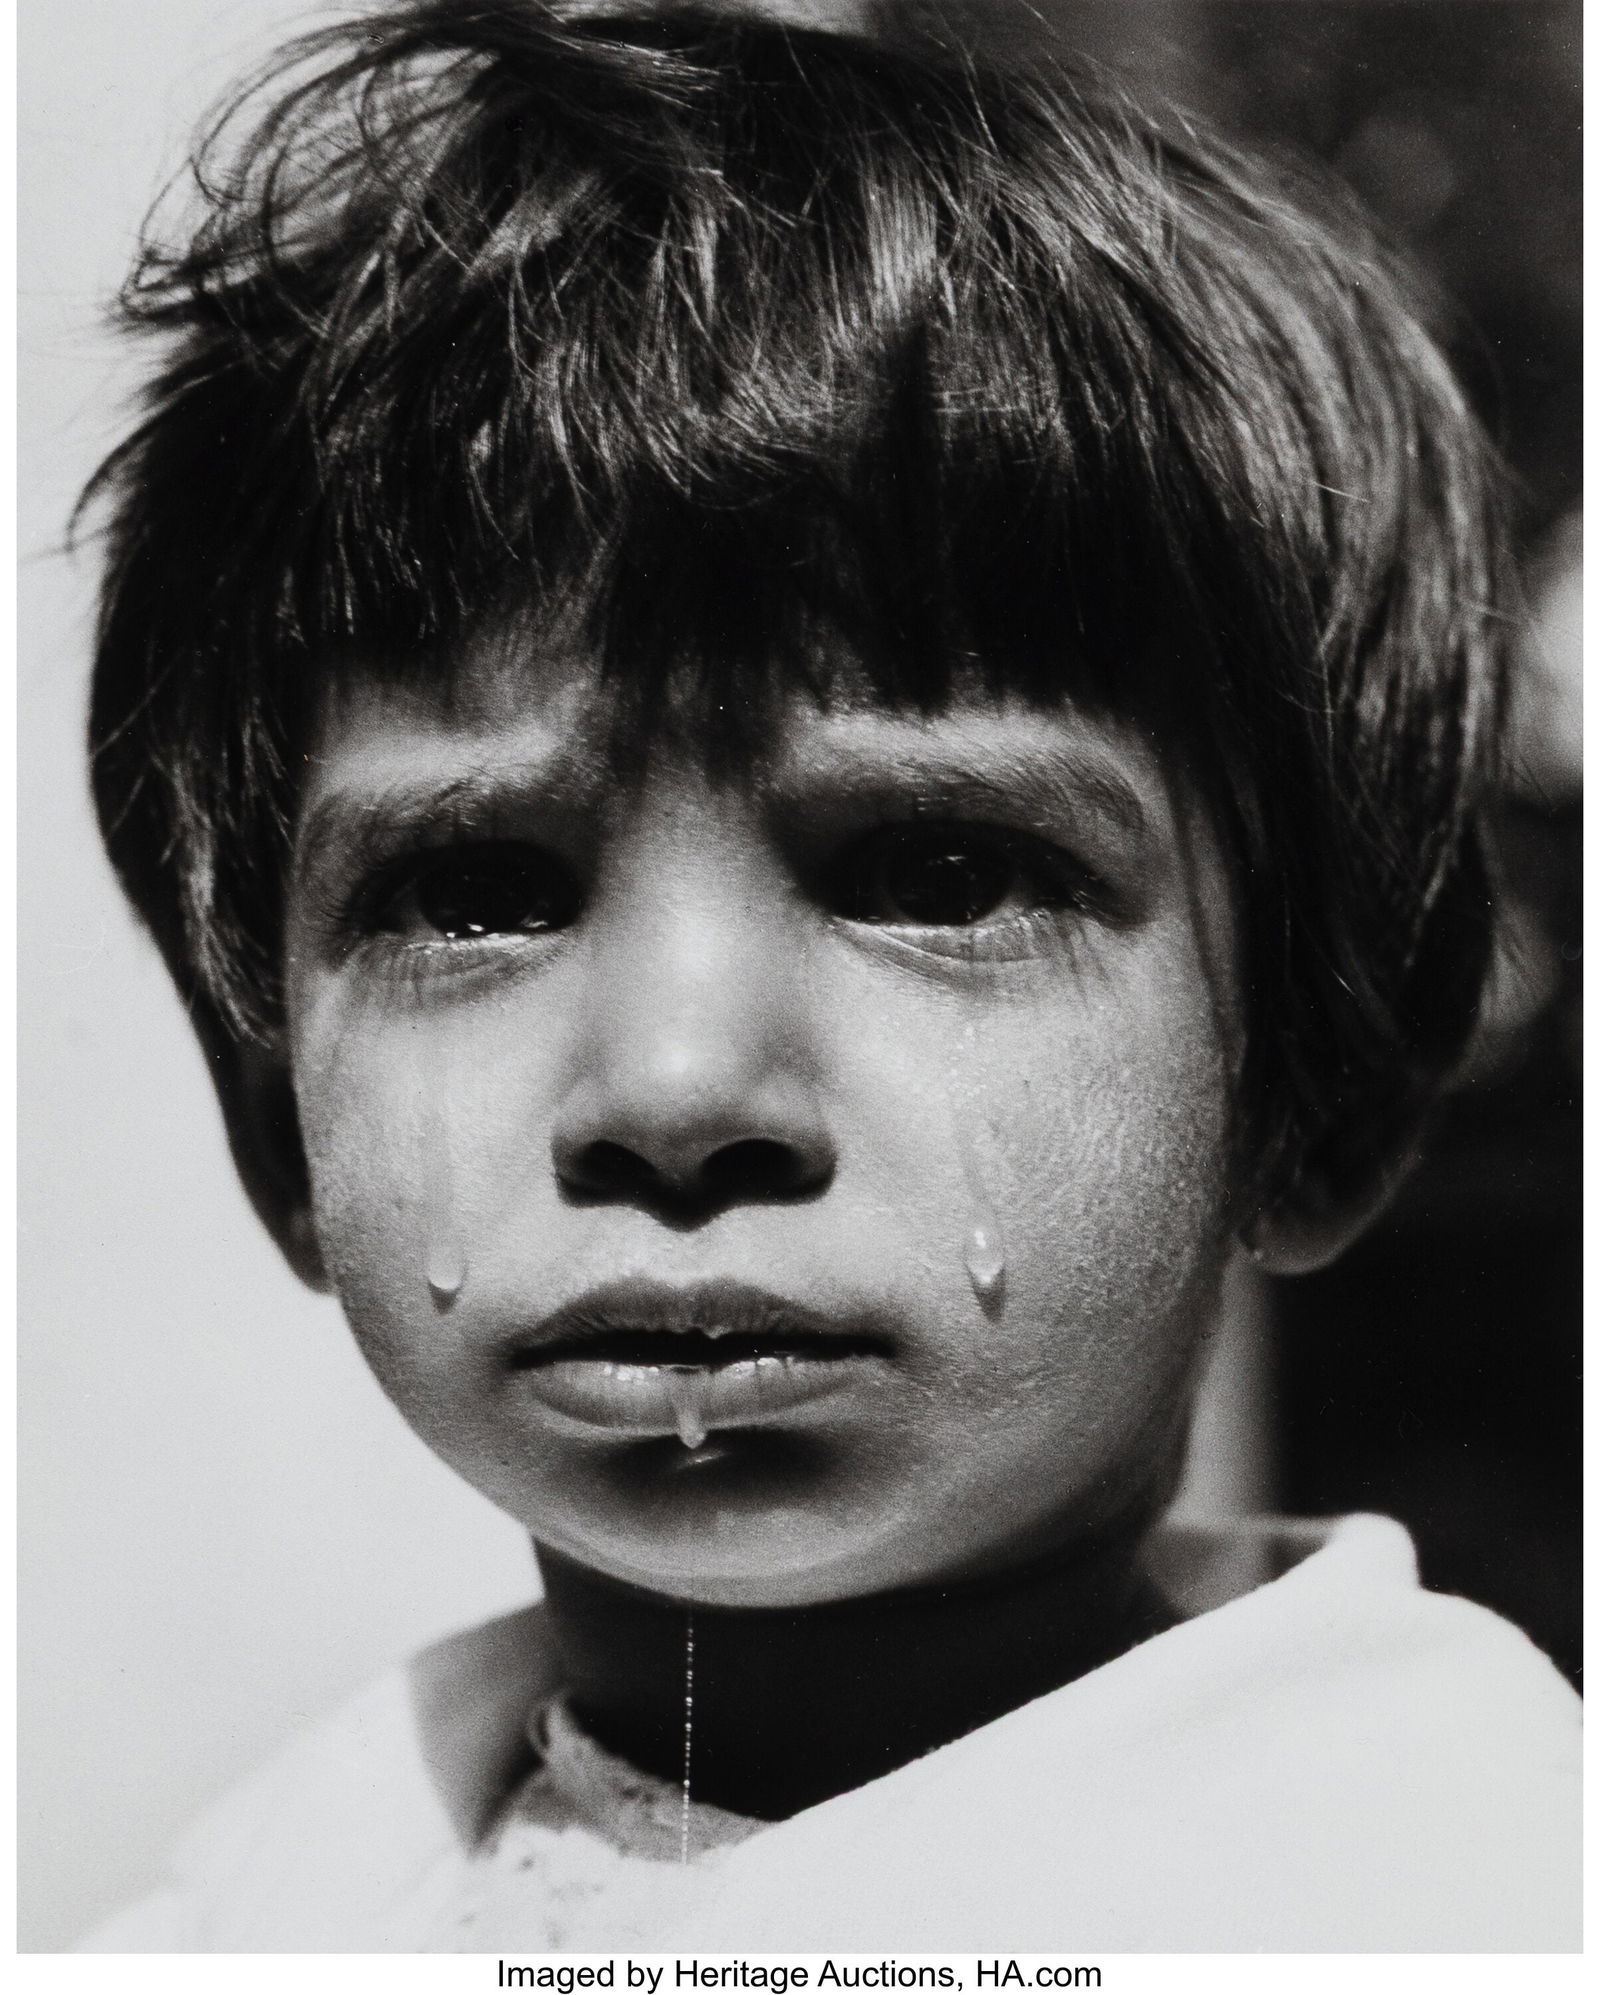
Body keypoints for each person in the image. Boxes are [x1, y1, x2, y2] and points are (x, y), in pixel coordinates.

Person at [76, 0, 1578, 1953]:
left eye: (935, 868)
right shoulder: (261, 1905)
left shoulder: (1458, 1884)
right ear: (277, 1112)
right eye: (477, 890)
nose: (677, 1086)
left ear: (1317, 1076)